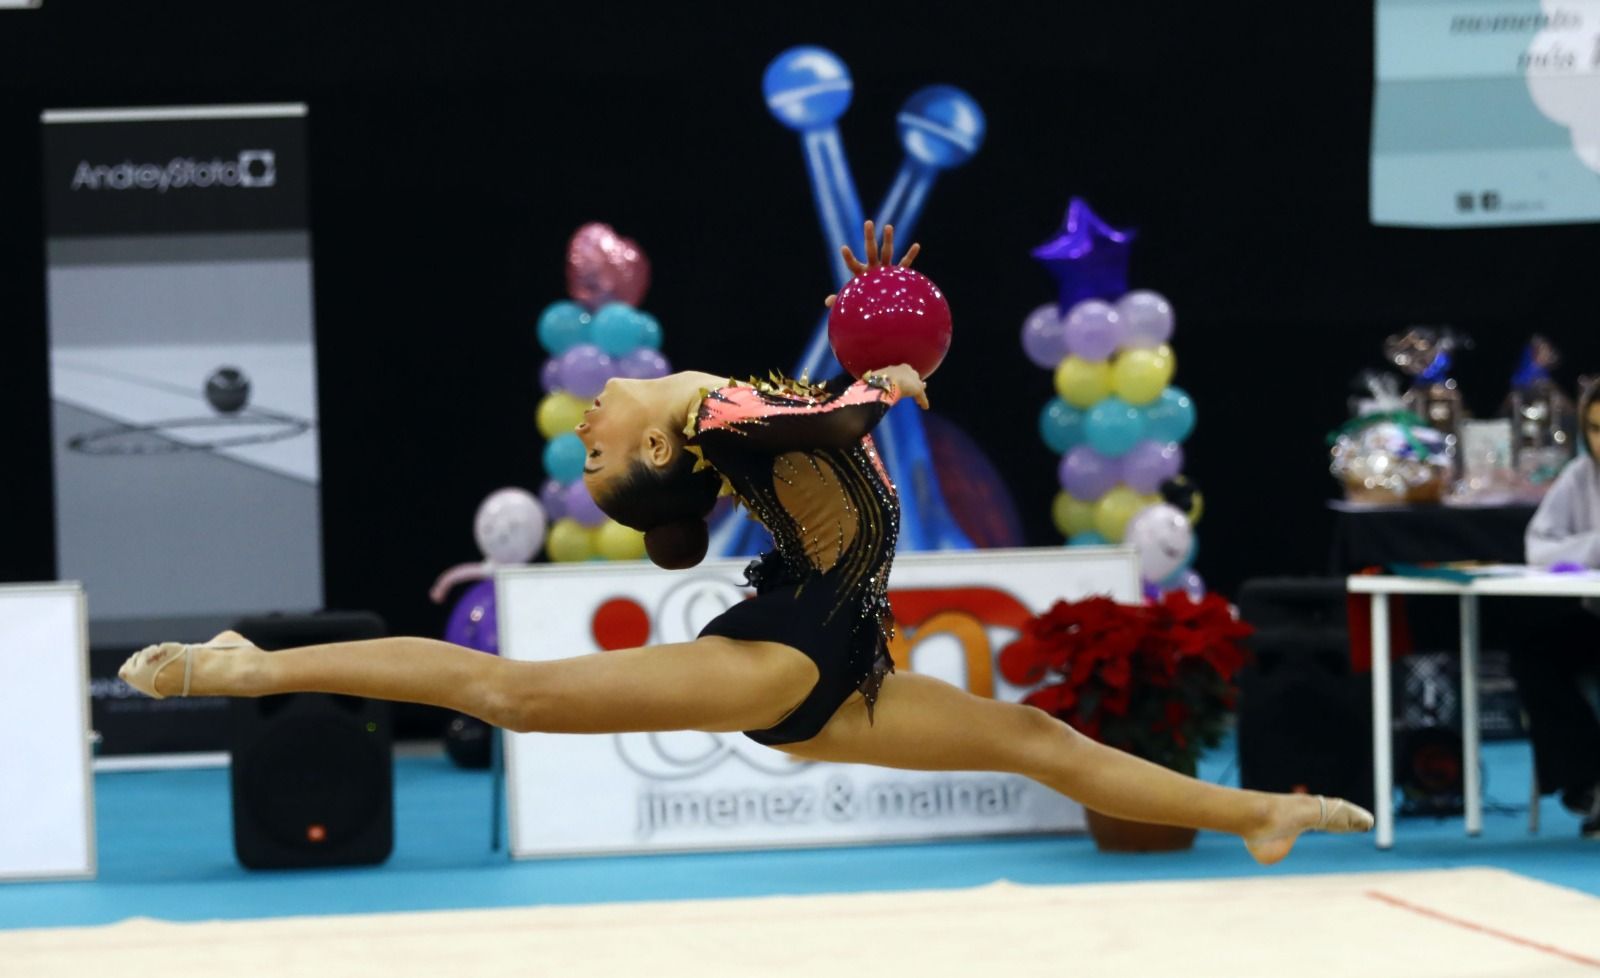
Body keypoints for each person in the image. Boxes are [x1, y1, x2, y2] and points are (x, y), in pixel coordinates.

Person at [120, 222, 1372, 864]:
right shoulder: (729, 416)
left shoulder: (734, 410)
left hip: (839, 668)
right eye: (598, 448)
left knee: (1039, 744)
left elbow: (818, 408)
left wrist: (866, 322)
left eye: (593, 445)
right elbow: (823, 414)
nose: (592, 426)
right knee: (509, 691)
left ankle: (1255, 811)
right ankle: (248, 665)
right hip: (786, 653)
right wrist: (876, 383)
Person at [1519, 379, 1600, 838]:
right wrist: (1593, 546)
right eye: (1594, 428)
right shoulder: (1579, 477)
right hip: (1596, 617)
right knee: (1535, 651)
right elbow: (1538, 549)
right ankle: (1587, 780)